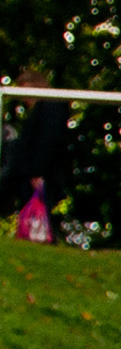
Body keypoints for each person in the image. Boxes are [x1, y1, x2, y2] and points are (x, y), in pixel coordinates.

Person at [0, 68, 73, 243]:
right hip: (34, 172)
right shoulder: (47, 107)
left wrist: (37, 172)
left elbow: (47, 141)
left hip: (38, 174)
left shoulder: (51, 106)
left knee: (39, 214)